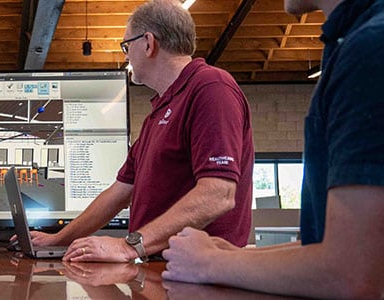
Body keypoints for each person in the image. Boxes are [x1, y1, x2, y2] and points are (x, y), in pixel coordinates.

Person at [162, 0, 384, 297]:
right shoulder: (354, 42)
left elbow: (354, 272)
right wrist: (234, 256)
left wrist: (210, 262)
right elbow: (335, 244)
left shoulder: (371, 48)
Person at [21, 0, 254, 263]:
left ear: (148, 43)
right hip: (163, 266)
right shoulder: (159, 111)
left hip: (204, 271)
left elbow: (218, 194)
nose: (126, 55)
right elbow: (119, 192)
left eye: (126, 46)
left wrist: (129, 245)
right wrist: (58, 239)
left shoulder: (211, 87)